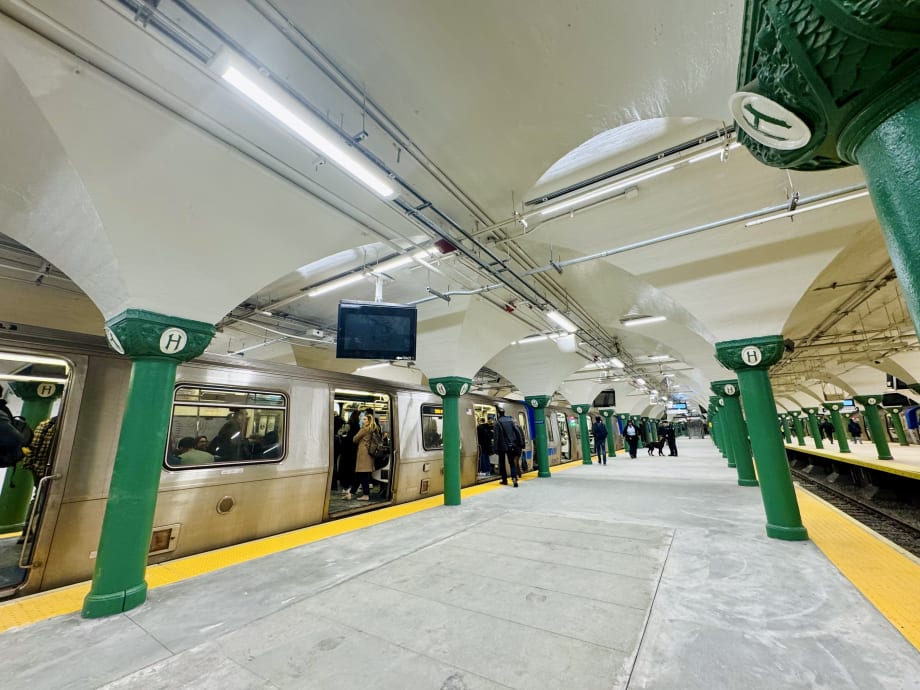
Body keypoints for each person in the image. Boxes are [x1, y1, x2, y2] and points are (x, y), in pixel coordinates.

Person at [345, 409, 378, 501]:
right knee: (360, 475)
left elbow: (355, 439)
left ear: (368, 421)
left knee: (363, 475)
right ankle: (351, 493)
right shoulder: (373, 429)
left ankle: (366, 495)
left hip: (363, 454)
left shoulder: (364, 429)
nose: (362, 421)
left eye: (364, 419)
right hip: (369, 455)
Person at [493, 406, 524, 487]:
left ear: (498, 414)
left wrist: (495, 448)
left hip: (501, 447)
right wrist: (519, 443)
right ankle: (514, 478)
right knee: (511, 463)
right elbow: (517, 432)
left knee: (502, 464)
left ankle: (504, 480)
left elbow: (496, 436)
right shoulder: (511, 420)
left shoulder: (497, 422)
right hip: (511, 445)